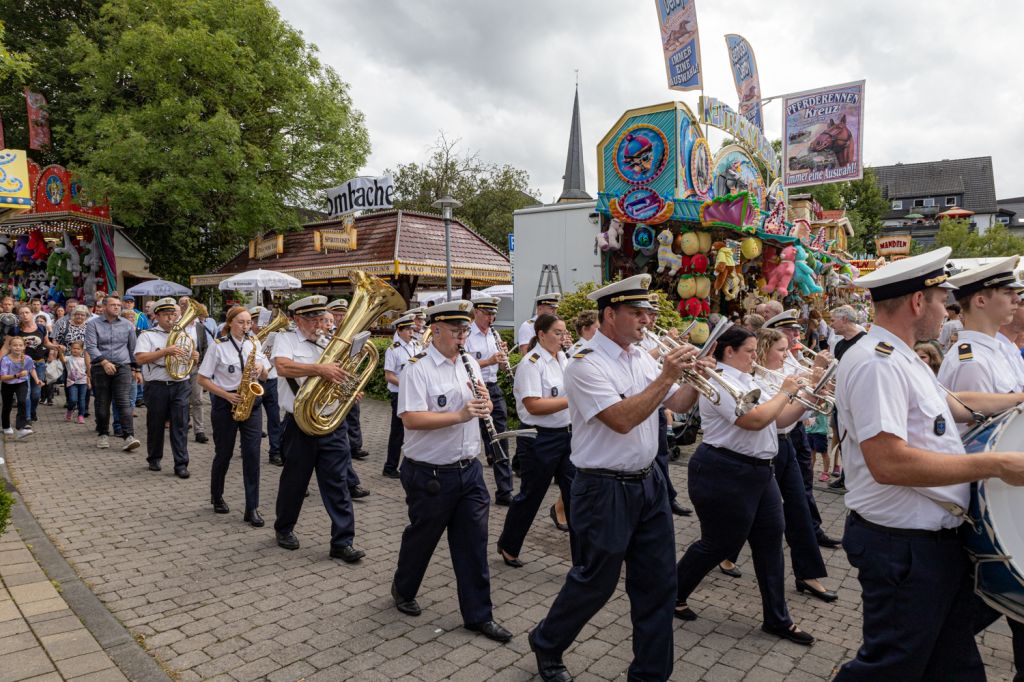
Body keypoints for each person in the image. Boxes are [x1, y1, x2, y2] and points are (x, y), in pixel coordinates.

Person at [833, 246, 1024, 681]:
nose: (947, 310)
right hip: (901, 547)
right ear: (919, 302)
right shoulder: (877, 363)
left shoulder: (902, 355)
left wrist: (1018, 400)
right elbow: (889, 463)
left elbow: (956, 405)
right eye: (942, 300)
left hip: (929, 543)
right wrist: (995, 465)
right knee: (890, 667)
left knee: (954, 665)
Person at [529, 274, 705, 682]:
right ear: (611, 314)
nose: (646, 320)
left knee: (658, 586)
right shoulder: (585, 364)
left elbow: (674, 402)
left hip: (649, 483)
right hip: (603, 488)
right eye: (637, 313)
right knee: (595, 583)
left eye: (648, 313)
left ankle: (649, 674)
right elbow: (621, 420)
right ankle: (547, 641)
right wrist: (666, 376)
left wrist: (694, 380)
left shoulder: (642, 356)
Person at [674, 326, 817, 648]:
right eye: (750, 351)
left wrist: (807, 397)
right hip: (725, 471)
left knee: (770, 543)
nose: (756, 357)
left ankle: (777, 619)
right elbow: (752, 420)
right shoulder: (718, 379)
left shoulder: (749, 379)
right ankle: (673, 593)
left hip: (758, 473)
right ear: (729, 352)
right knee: (717, 544)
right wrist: (784, 391)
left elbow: (778, 420)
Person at [391, 300, 513, 644]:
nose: (463, 337)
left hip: (468, 470)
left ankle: (479, 616)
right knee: (423, 537)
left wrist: (484, 404)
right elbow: (411, 419)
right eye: (458, 331)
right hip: (429, 474)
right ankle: (404, 588)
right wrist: (460, 415)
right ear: (437, 330)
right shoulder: (417, 368)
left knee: (473, 544)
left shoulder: (469, 362)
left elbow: (478, 404)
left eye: (465, 331)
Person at [273, 296, 365, 562]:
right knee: (294, 481)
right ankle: (284, 528)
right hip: (299, 423)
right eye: (311, 319)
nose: (318, 325)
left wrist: (349, 390)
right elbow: (282, 367)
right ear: (298, 320)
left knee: (337, 483)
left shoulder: (328, 343)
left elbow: (337, 377)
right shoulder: (286, 339)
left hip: (331, 422)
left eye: (320, 319)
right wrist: (319, 369)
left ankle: (342, 541)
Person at [752, 327, 837, 602]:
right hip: (766, 449)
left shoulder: (783, 373)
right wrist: (805, 392)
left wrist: (815, 389)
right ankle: (723, 555)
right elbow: (779, 418)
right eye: (780, 350)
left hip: (785, 445)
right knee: (754, 518)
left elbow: (801, 417)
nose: (786, 355)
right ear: (764, 350)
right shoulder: (755, 380)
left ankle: (808, 574)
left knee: (799, 509)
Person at [498, 313, 577, 568]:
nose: (563, 337)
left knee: (575, 495)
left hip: (566, 435)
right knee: (531, 495)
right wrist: (573, 400)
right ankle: (509, 545)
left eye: (564, 332)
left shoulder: (563, 357)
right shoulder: (531, 363)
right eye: (557, 332)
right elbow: (533, 405)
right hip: (539, 438)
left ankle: (582, 558)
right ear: (541, 335)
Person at [763, 309, 840, 548]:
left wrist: (820, 383)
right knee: (770, 495)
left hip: (795, 431)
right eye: (790, 331)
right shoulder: (775, 360)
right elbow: (782, 401)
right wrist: (815, 375)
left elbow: (806, 401)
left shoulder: (791, 357)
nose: (797, 335)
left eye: (797, 331)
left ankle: (812, 530)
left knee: (803, 487)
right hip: (779, 433)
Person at [197, 306, 270, 526]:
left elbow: (267, 373)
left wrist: (259, 366)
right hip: (225, 405)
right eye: (241, 322)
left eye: (249, 322)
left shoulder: (254, 343)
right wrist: (226, 395)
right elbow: (202, 379)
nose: (246, 327)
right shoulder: (218, 347)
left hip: (251, 404)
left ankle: (252, 508)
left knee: (252, 455)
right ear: (230, 324)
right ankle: (217, 495)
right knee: (224, 453)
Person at [135, 297, 196, 479]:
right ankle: (154, 458)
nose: (170, 318)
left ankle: (181, 464)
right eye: (166, 315)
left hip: (180, 384)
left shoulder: (185, 334)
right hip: (157, 385)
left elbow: (189, 358)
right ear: (157, 316)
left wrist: (194, 355)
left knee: (180, 424)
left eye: (173, 314)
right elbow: (140, 359)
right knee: (156, 423)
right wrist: (165, 351)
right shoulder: (148, 335)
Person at [463, 296, 513, 505]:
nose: (491, 318)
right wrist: (489, 360)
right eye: (487, 314)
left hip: (492, 387)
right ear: (477, 313)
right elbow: (464, 363)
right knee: (470, 437)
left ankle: (505, 491)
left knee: (501, 438)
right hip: (470, 389)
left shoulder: (494, 334)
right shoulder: (466, 334)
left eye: (493, 314)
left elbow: (499, 366)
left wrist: (502, 361)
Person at [84, 295, 141, 451]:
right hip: (100, 367)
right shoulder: (92, 324)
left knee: (124, 401)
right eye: (113, 304)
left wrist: (136, 369)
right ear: (104, 307)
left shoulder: (128, 325)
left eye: (118, 305)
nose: (117, 307)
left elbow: (132, 348)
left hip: (122, 367)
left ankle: (128, 436)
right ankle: (103, 434)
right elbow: (90, 346)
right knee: (102, 402)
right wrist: (104, 362)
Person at [327, 298, 370, 499]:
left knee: (342, 444)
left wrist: (353, 388)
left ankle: (350, 484)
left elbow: (349, 365)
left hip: (339, 392)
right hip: (319, 399)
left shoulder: (347, 335)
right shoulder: (325, 339)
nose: (339, 318)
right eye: (335, 315)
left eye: (342, 314)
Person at [3, 305, 57, 423]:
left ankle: (32, 412)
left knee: (36, 394)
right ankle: (26, 418)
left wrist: (56, 347)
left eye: (27, 312)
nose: (25, 315)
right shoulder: (15, 330)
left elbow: (46, 343)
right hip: (21, 365)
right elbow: (6, 347)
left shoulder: (42, 328)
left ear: (32, 314)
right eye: (21, 313)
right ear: (19, 316)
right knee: (25, 394)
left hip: (39, 364)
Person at [382, 313, 418, 479]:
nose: (412, 332)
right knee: (397, 433)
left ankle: (410, 465)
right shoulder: (393, 350)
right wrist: (407, 386)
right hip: (399, 394)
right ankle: (390, 467)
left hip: (415, 394)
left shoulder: (417, 346)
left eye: (412, 329)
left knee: (414, 431)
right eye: (408, 330)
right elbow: (389, 376)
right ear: (399, 330)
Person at [250, 306, 283, 467]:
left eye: (262, 322)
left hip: (272, 380)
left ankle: (275, 452)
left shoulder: (275, 337)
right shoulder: (247, 339)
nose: (259, 326)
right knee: (250, 418)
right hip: (254, 383)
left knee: (274, 418)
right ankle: (247, 448)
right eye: (255, 322)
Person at [1, 337, 38, 439]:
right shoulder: (5, 360)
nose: (17, 347)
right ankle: (6, 426)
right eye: (15, 345)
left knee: (22, 401)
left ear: (24, 347)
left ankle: (21, 427)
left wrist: (37, 380)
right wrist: (16, 375)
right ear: (10, 347)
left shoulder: (27, 359)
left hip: (21, 383)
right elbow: (2, 377)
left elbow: (31, 369)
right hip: (7, 383)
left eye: (20, 345)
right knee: (7, 406)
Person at [188, 302, 212, 444]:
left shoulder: (200, 327)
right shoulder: (178, 326)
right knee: (182, 400)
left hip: (195, 368)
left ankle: (199, 431)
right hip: (180, 368)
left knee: (197, 400)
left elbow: (204, 346)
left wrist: (200, 361)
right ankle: (182, 425)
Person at [64, 340, 90, 424]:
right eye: (73, 348)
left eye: (78, 349)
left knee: (82, 400)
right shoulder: (68, 358)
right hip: (72, 382)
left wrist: (89, 382)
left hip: (83, 382)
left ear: (82, 350)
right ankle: (70, 410)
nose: (75, 350)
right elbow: (62, 360)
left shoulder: (84, 359)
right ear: (70, 349)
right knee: (73, 399)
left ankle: (81, 416)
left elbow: (88, 372)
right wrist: (60, 352)